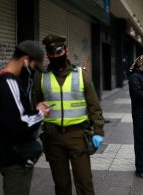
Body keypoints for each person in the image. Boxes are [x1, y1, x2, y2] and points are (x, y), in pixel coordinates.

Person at [33, 34, 105, 195]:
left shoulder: (81, 75)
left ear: (66, 50)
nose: (55, 57)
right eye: (51, 54)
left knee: (85, 183)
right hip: (53, 138)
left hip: (78, 136)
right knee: (61, 185)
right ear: (48, 54)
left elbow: (94, 106)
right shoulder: (41, 77)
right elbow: (35, 106)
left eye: (58, 53)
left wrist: (98, 131)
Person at [0, 40, 50, 195]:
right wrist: (40, 113)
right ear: (25, 61)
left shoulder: (11, 81)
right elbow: (19, 124)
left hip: (15, 156)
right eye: (34, 67)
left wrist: (35, 110)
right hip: (14, 160)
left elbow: (15, 116)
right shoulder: (8, 83)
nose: (34, 71)